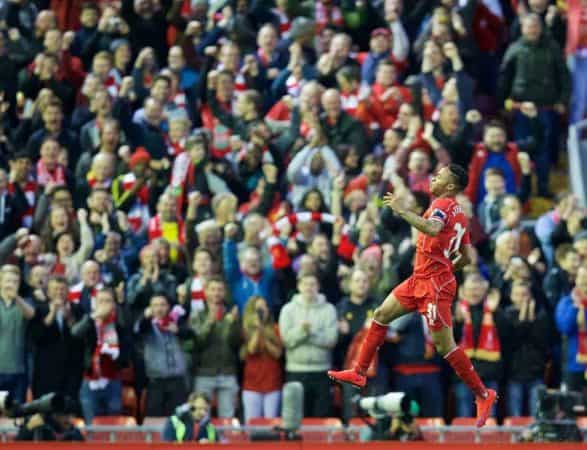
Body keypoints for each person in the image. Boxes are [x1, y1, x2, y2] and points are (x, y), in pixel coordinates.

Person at [328, 164, 498, 428]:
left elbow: (431, 229)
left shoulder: (442, 204)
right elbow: (465, 257)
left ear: (450, 187)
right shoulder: (461, 215)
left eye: (440, 175)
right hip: (420, 279)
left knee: (445, 346)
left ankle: (484, 394)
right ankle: (359, 372)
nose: (434, 177)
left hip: (434, 287)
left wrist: (401, 211)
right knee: (382, 315)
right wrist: (444, 268)